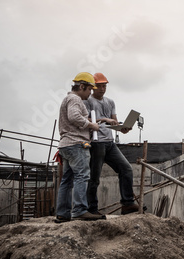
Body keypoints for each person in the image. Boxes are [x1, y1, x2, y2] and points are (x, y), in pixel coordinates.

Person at [84, 72, 140, 215]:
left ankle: (127, 203)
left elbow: (114, 120)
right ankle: (92, 209)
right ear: (93, 87)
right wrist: (105, 119)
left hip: (109, 143)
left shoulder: (110, 102)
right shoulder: (88, 101)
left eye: (104, 86)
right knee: (94, 178)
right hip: (96, 143)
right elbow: (86, 121)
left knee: (126, 169)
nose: (102, 89)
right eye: (99, 86)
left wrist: (123, 128)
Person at [55, 72, 105, 223]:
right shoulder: (76, 99)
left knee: (67, 180)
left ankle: (63, 213)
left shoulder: (68, 99)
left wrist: (98, 121)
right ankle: (79, 210)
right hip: (77, 144)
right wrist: (91, 126)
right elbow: (74, 117)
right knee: (82, 176)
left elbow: (76, 117)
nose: (90, 93)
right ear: (82, 86)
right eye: (89, 89)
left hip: (66, 145)